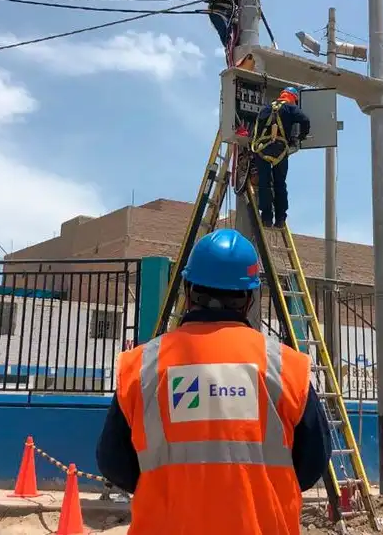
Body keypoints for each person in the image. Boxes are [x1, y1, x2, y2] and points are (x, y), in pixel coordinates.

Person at [96, 229, 332, 535]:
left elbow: (113, 461)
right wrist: (261, 490)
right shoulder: (285, 366)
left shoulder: (142, 367)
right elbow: (313, 460)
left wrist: (168, 488)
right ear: (249, 298)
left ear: (187, 288)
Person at [250, 87, 311, 228]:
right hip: (280, 151)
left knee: (264, 183)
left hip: (261, 149)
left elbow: (256, 130)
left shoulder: (265, 109)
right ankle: (280, 219)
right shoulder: (290, 108)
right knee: (280, 184)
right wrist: (300, 137)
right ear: (293, 98)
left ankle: (266, 218)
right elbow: (305, 120)